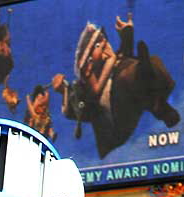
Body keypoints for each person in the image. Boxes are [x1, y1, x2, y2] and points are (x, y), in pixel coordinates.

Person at [52, 13, 180, 158]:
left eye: (104, 39)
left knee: (142, 65)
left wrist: (126, 33)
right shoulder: (87, 90)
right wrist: (64, 92)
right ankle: (154, 97)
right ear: (88, 62)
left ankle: (156, 99)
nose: (105, 45)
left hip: (138, 90)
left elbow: (125, 54)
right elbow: (75, 111)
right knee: (127, 76)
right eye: (98, 45)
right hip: (117, 128)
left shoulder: (116, 62)